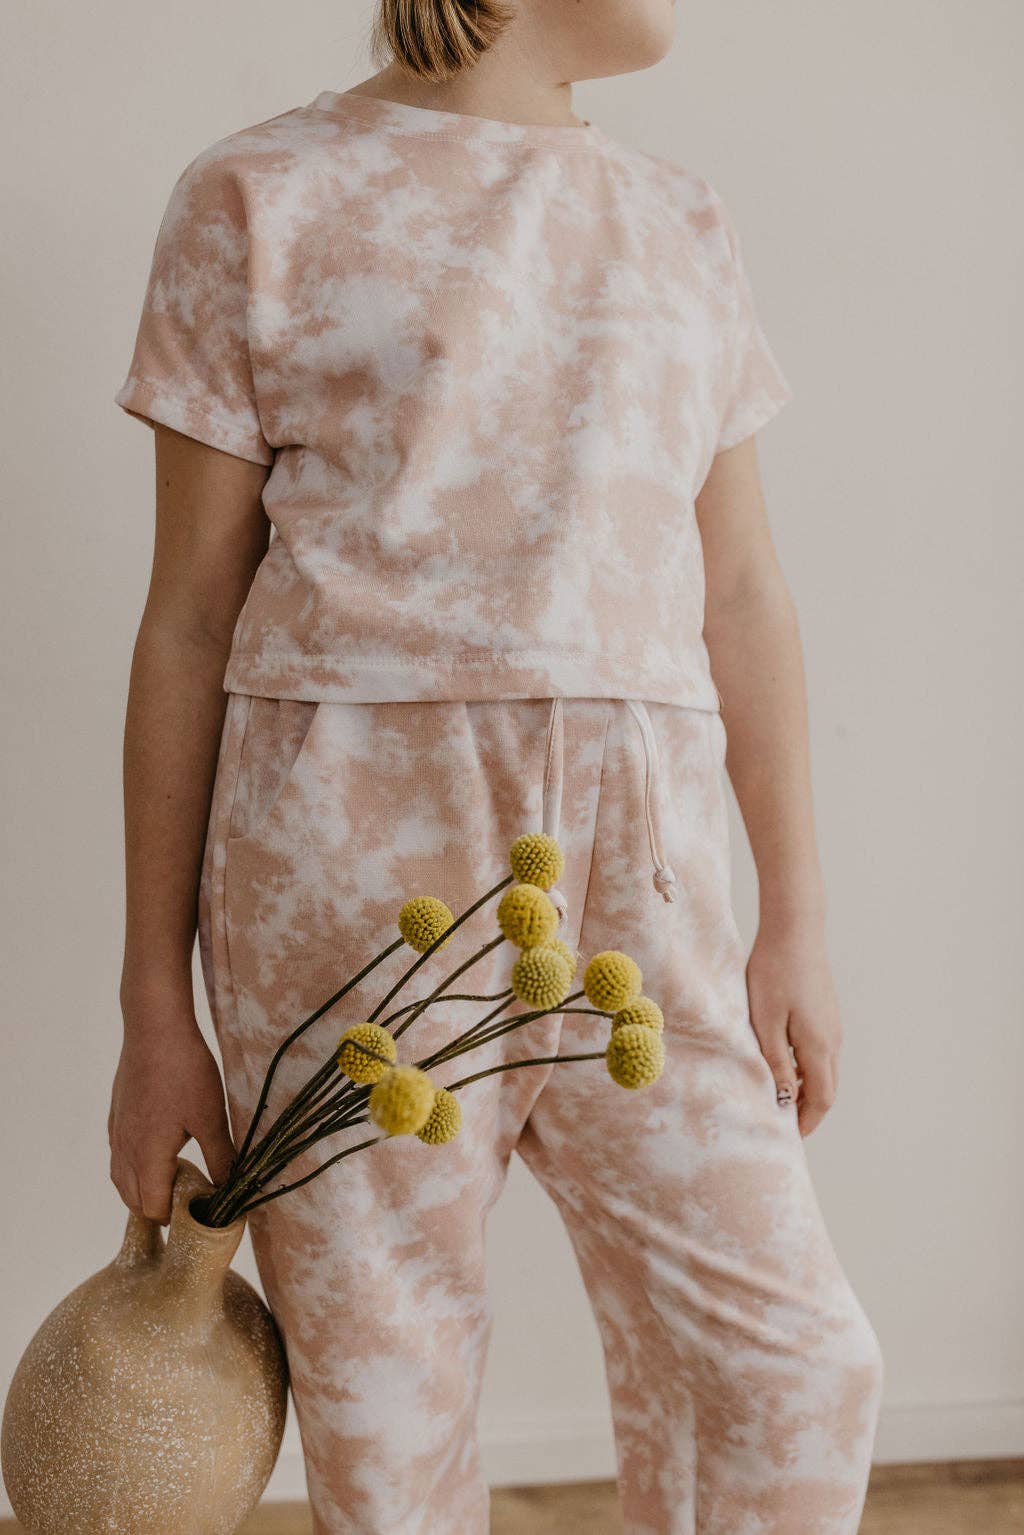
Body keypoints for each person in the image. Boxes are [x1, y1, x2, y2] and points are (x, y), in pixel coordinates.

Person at [108, 1, 883, 1530]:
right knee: (389, 1421)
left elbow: (742, 594)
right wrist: (153, 1004)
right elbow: (188, 620)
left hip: (645, 887)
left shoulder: (680, 218)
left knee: (792, 1369)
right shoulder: (260, 195)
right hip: (345, 878)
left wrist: (795, 918)